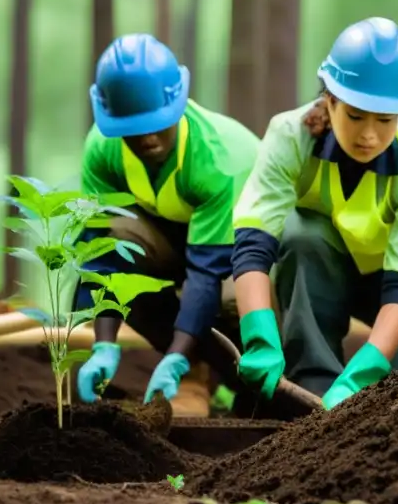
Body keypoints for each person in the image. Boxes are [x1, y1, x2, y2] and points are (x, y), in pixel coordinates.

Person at [230, 17, 398, 409]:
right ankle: (314, 381)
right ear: (330, 101)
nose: (369, 134)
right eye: (355, 115)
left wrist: (362, 374)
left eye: (385, 120)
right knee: (301, 233)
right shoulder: (289, 136)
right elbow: (254, 243)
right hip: (324, 266)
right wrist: (259, 336)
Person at [74, 33, 260, 405]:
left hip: (241, 249)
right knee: (119, 244)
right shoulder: (102, 149)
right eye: (133, 129)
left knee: (230, 305)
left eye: (158, 123)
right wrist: (103, 345)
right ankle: (194, 370)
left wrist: (175, 355)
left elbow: (205, 273)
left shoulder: (217, 160)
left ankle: (238, 385)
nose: (148, 139)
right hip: (169, 235)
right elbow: (98, 253)